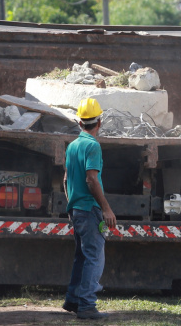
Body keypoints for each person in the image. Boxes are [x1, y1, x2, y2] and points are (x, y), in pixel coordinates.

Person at [62, 98, 116, 320]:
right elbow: (91, 180)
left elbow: (66, 179)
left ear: (79, 123)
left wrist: (70, 205)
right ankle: (86, 305)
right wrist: (106, 209)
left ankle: (73, 300)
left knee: (82, 257)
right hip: (89, 209)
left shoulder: (73, 145)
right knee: (95, 257)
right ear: (99, 122)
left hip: (77, 209)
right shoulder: (92, 146)